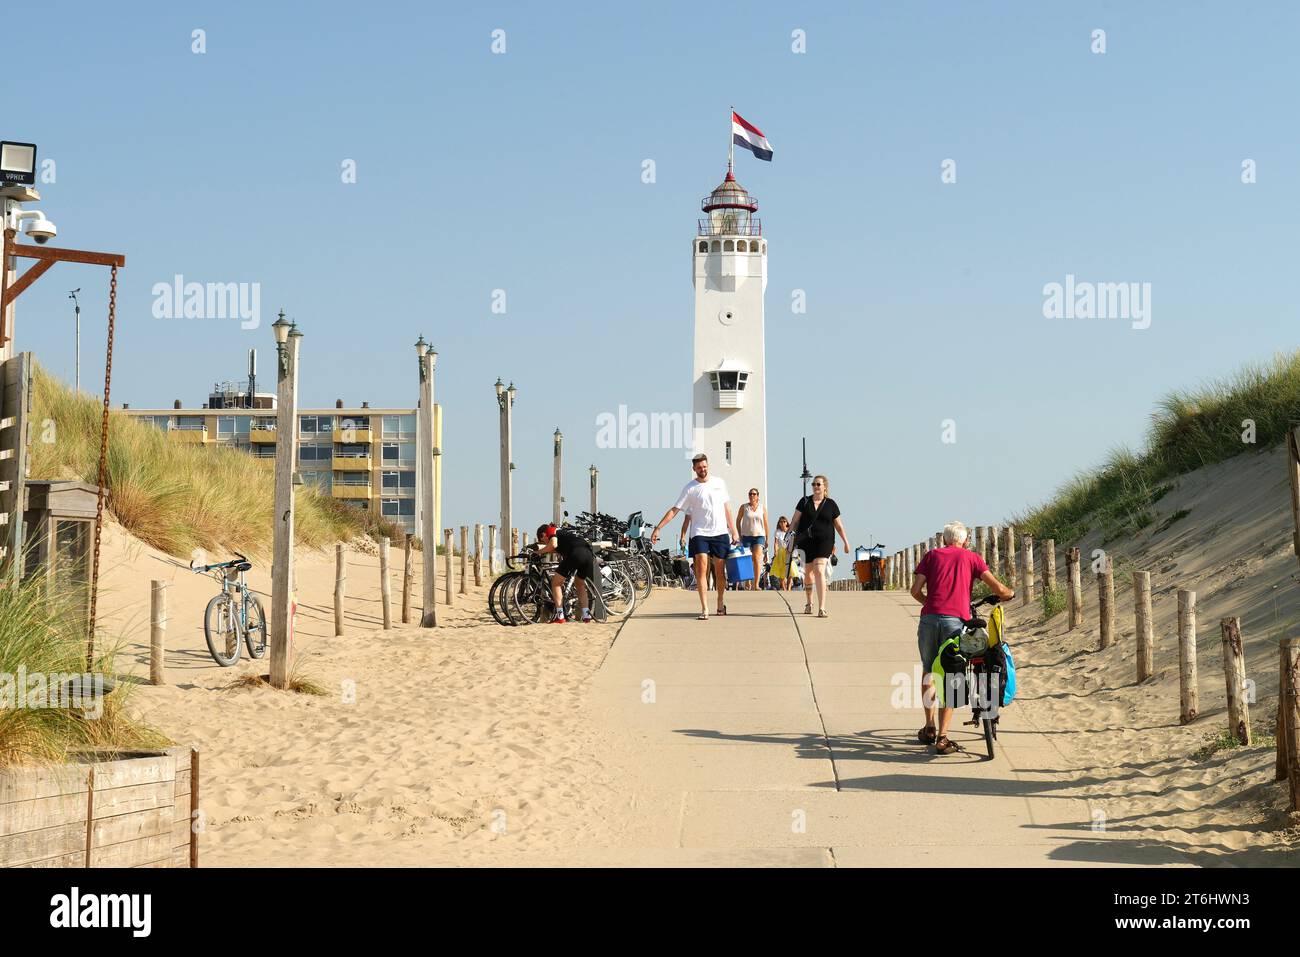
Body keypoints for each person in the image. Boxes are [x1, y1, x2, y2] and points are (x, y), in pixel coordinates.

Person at [910, 521, 1014, 754]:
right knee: (952, 673)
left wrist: (932, 605)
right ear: (965, 540)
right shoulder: (972, 558)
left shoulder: (932, 556)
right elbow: (997, 588)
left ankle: (929, 726)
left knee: (929, 670)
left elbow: (915, 591)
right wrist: (1008, 593)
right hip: (955, 621)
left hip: (928, 620)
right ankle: (943, 737)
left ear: (945, 540)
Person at [650, 453, 738, 620]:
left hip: (720, 532)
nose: (702, 470)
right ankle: (704, 608)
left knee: (720, 571)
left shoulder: (719, 483)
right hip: (699, 533)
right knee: (701, 568)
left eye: (704, 466)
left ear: (708, 466)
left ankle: (720, 602)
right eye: (699, 468)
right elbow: (675, 510)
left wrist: (733, 530)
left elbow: (727, 509)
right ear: (694, 469)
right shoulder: (690, 488)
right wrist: (658, 527)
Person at [786, 475, 850, 617]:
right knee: (808, 573)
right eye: (814, 484)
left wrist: (846, 542)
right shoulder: (804, 501)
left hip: (825, 541)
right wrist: (788, 537)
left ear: (824, 487)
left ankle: (822, 607)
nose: (815, 486)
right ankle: (809, 602)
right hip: (806, 541)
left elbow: (838, 525)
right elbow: (795, 520)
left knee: (819, 570)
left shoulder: (831, 504)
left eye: (818, 484)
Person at [534, 522, 597, 623]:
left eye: (543, 541)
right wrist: (543, 550)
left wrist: (538, 552)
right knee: (580, 585)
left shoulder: (551, 530)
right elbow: (556, 549)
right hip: (588, 554)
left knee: (556, 583)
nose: (545, 543)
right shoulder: (563, 534)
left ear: (543, 534)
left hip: (576, 553)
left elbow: (552, 544)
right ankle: (586, 616)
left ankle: (560, 616)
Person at [737, 488, 769, 591]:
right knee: (747, 560)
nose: (752, 496)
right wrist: (739, 534)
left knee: (756, 558)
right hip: (746, 536)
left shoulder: (762, 508)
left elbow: (766, 523)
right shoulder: (744, 507)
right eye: (750, 494)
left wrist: (767, 538)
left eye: (754, 494)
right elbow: (738, 521)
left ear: (758, 496)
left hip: (759, 536)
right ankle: (747, 581)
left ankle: (756, 584)